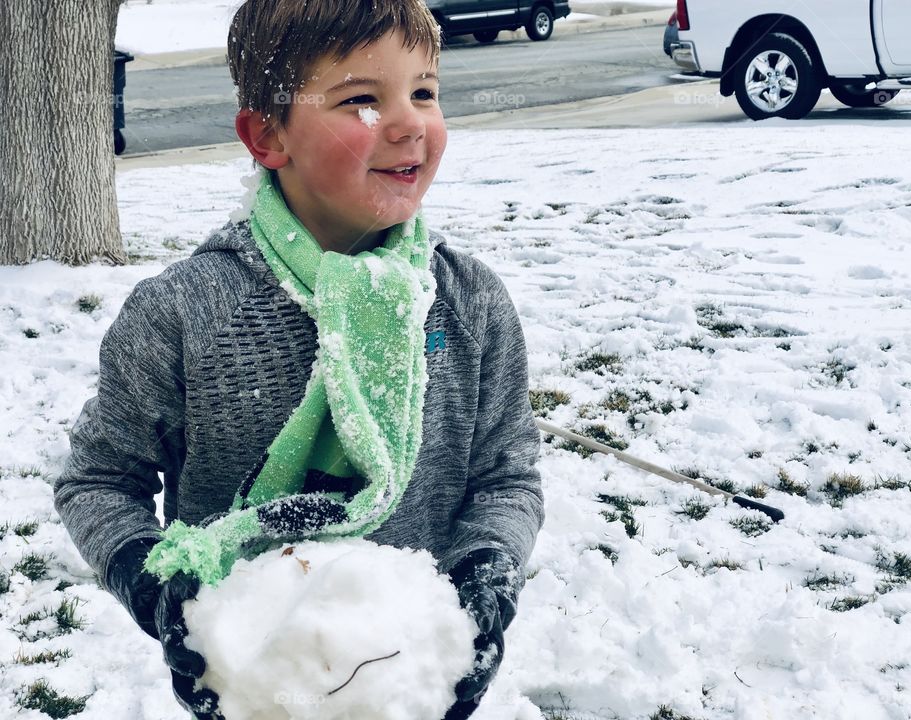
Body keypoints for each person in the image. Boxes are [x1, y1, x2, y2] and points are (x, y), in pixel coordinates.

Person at [53, 1, 544, 718]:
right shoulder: (184, 314)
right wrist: (156, 587)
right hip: (252, 679)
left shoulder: (466, 306)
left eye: (425, 91)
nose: (409, 122)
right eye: (362, 100)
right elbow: (99, 480)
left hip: (410, 676)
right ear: (267, 134)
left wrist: (484, 574)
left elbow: (506, 475)